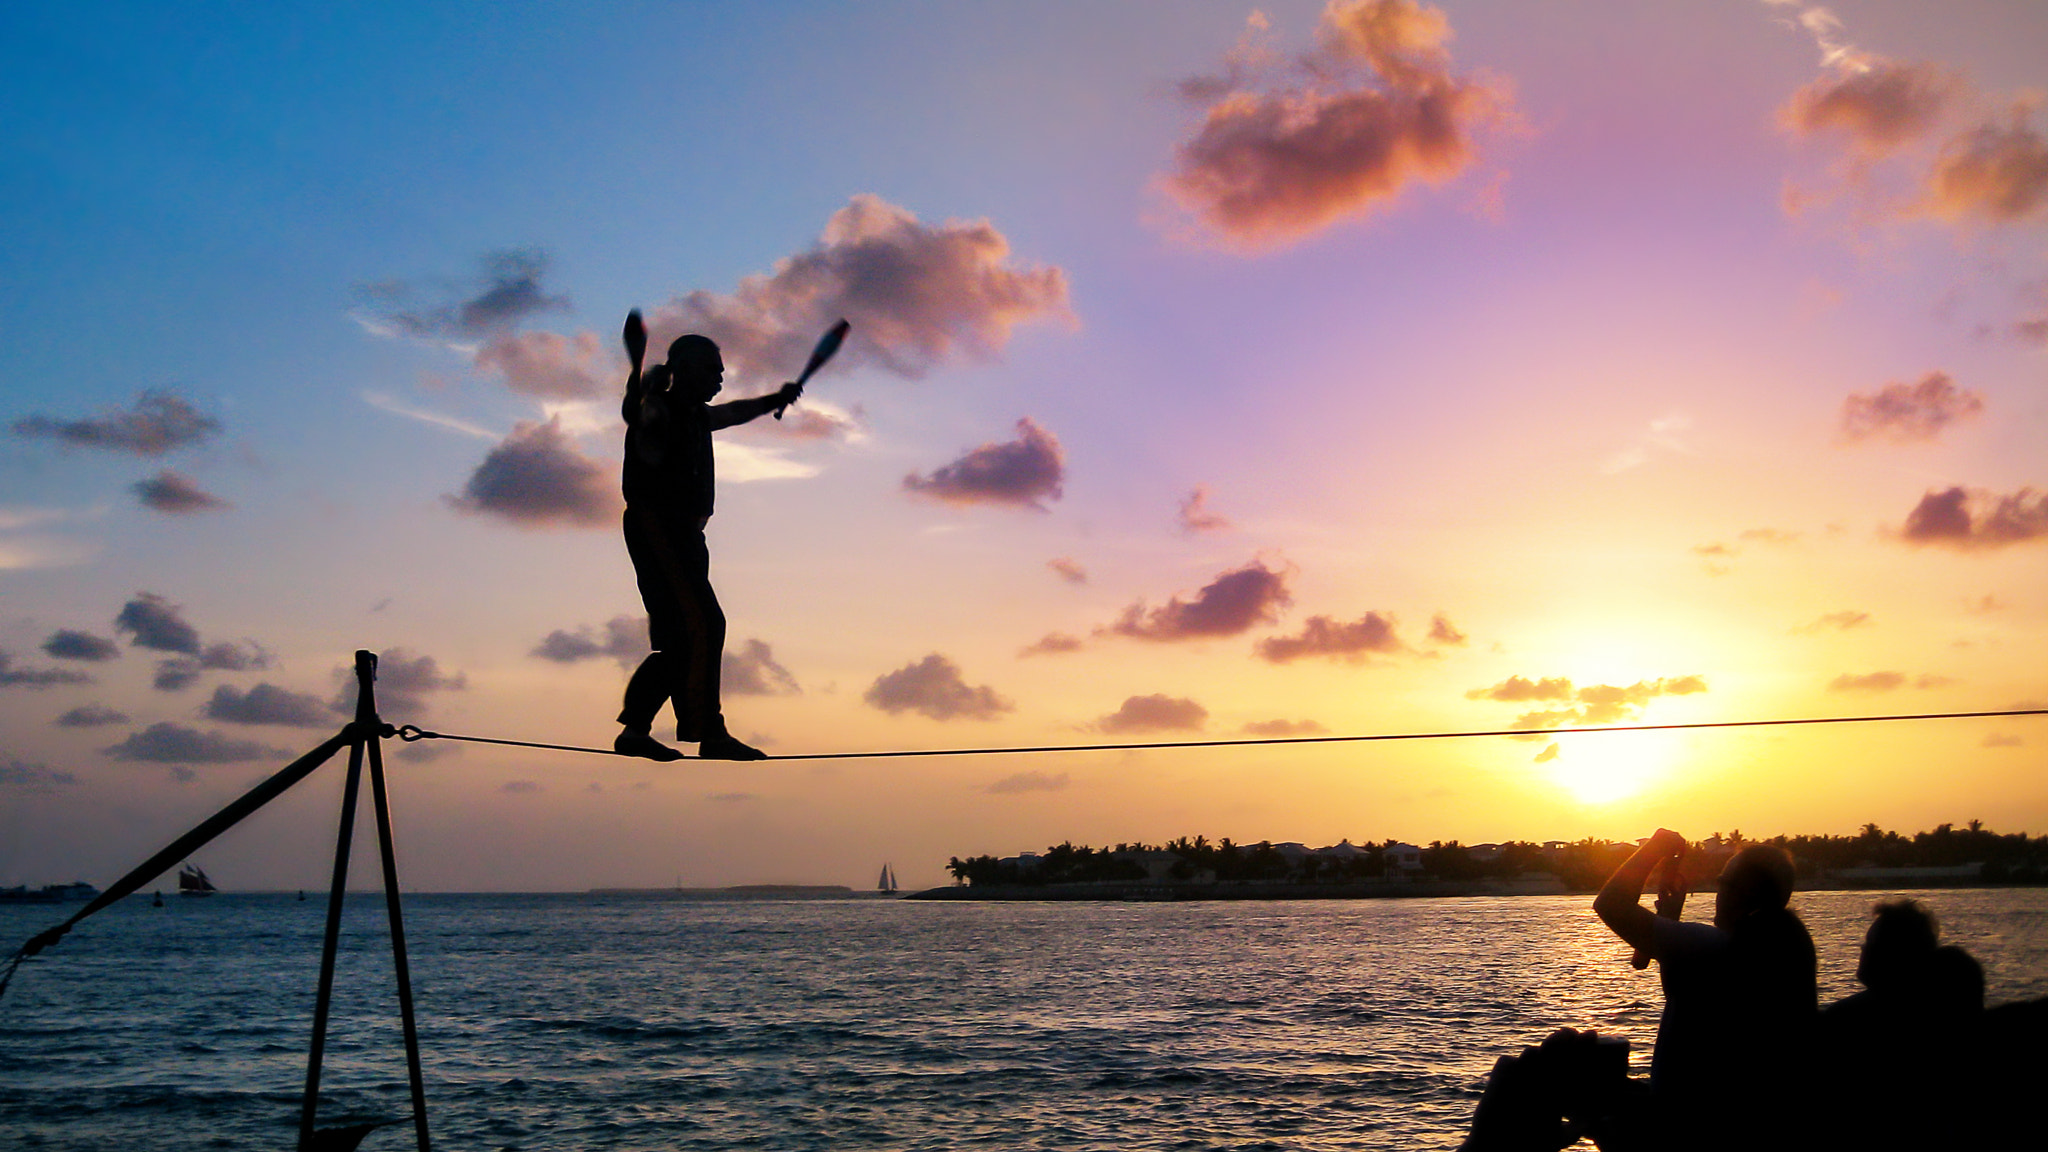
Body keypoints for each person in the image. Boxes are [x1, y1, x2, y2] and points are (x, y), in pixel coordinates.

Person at [612, 311, 801, 762]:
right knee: (705, 624)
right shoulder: (658, 408)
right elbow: (636, 412)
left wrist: (775, 398)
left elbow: (733, 413)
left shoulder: (695, 417)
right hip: (660, 529)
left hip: (684, 537)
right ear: (683, 371)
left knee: (681, 641)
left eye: (720, 371)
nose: (719, 377)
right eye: (711, 369)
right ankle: (709, 734)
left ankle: (635, 732)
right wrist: (635, 388)